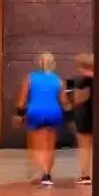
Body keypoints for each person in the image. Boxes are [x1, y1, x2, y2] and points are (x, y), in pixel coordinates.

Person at [20, 54, 66, 185]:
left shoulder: (30, 78)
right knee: (49, 146)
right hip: (54, 112)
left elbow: (22, 99)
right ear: (53, 63)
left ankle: (42, 169)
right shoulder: (58, 80)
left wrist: (20, 113)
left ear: (38, 63)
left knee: (35, 145)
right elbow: (63, 101)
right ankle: (47, 175)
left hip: (35, 112)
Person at [65, 56, 97, 183]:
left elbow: (79, 98)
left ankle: (85, 174)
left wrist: (71, 102)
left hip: (84, 115)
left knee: (84, 146)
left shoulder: (80, 79)